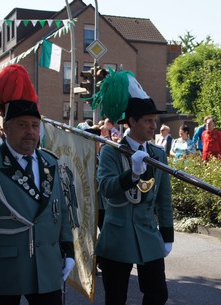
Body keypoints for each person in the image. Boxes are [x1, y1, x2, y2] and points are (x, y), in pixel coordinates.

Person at [0, 64, 75, 305]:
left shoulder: (50, 162)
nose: (30, 132)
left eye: (34, 125)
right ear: (6, 128)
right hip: (2, 270)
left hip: (47, 266)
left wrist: (68, 250)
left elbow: (59, 211)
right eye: (22, 125)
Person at [94, 70, 174, 305]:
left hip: (148, 233)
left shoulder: (157, 153)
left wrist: (167, 234)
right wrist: (133, 174)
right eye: (148, 121)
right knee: (116, 298)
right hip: (117, 236)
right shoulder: (110, 151)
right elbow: (107, 188)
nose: (153, 125)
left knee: (158, 294)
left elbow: (164, 199)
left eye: (154, 120)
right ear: (131, 122)